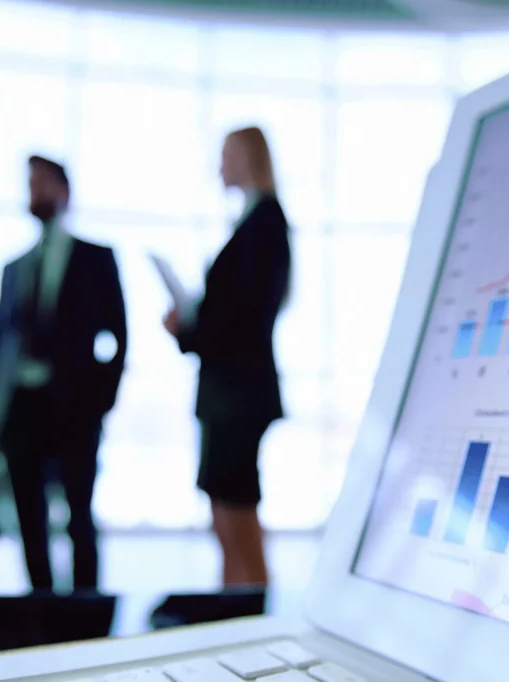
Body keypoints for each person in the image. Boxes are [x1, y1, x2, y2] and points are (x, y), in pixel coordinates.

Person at [0, 155, 127, 592]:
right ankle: (39, 605)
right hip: (23, 408)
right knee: (29, 515)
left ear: (64, 191)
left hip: (74, 409)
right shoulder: (15, 268)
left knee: (80, 513)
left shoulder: (96, 258)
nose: (35, 193)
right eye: (29, 184)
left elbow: (118, 337)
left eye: (42, 183)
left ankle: (87, 612)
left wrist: (99, 400)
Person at [163, 126, 291, 587]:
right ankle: (234, 610)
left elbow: (247, 316)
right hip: (228, 392)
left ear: (248, 157)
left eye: (226, 155)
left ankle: (249, 615)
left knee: (236, 514)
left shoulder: (266, 222)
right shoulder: (254, 223)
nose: (220, 165)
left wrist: (193, 327)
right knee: (225, 514)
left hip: (239, 394)